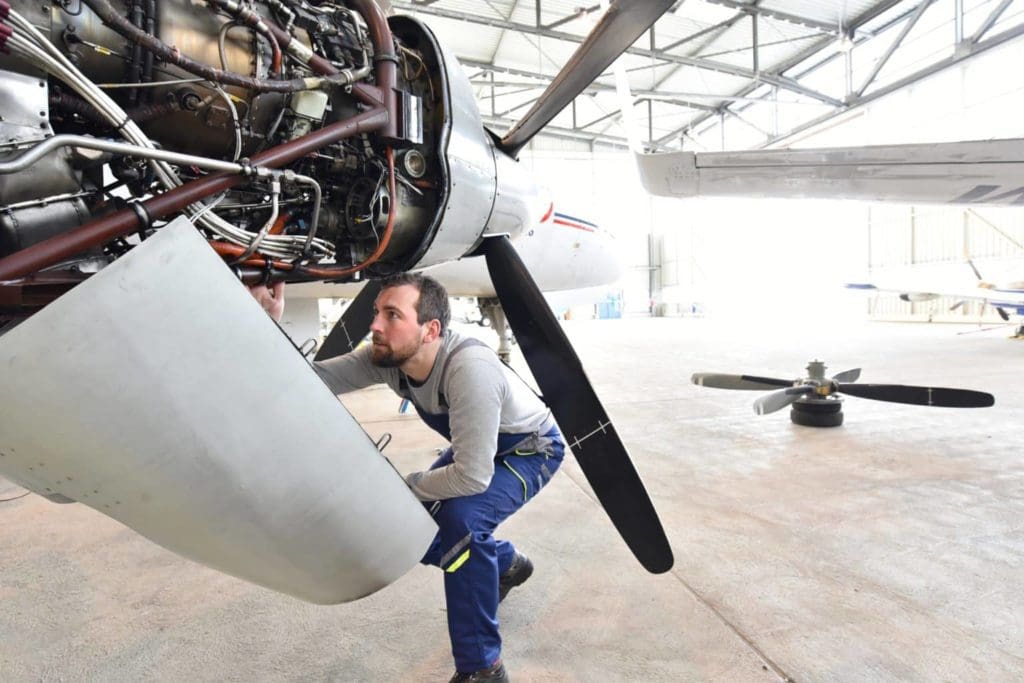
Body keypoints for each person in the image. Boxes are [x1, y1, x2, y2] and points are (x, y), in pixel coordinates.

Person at [250, 275, 564, 683]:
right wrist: (269, 323)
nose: (375, 325)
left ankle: (483, 668)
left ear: (431, 329)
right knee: (404, 523)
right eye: (377, 313)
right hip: (477, 447)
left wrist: (408, 485)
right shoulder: (387, 360)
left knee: (461, 527)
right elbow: (308, 382)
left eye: (392, 315)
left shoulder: (470, 370)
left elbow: (471, 476)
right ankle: (505, 564)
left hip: (529, 450)